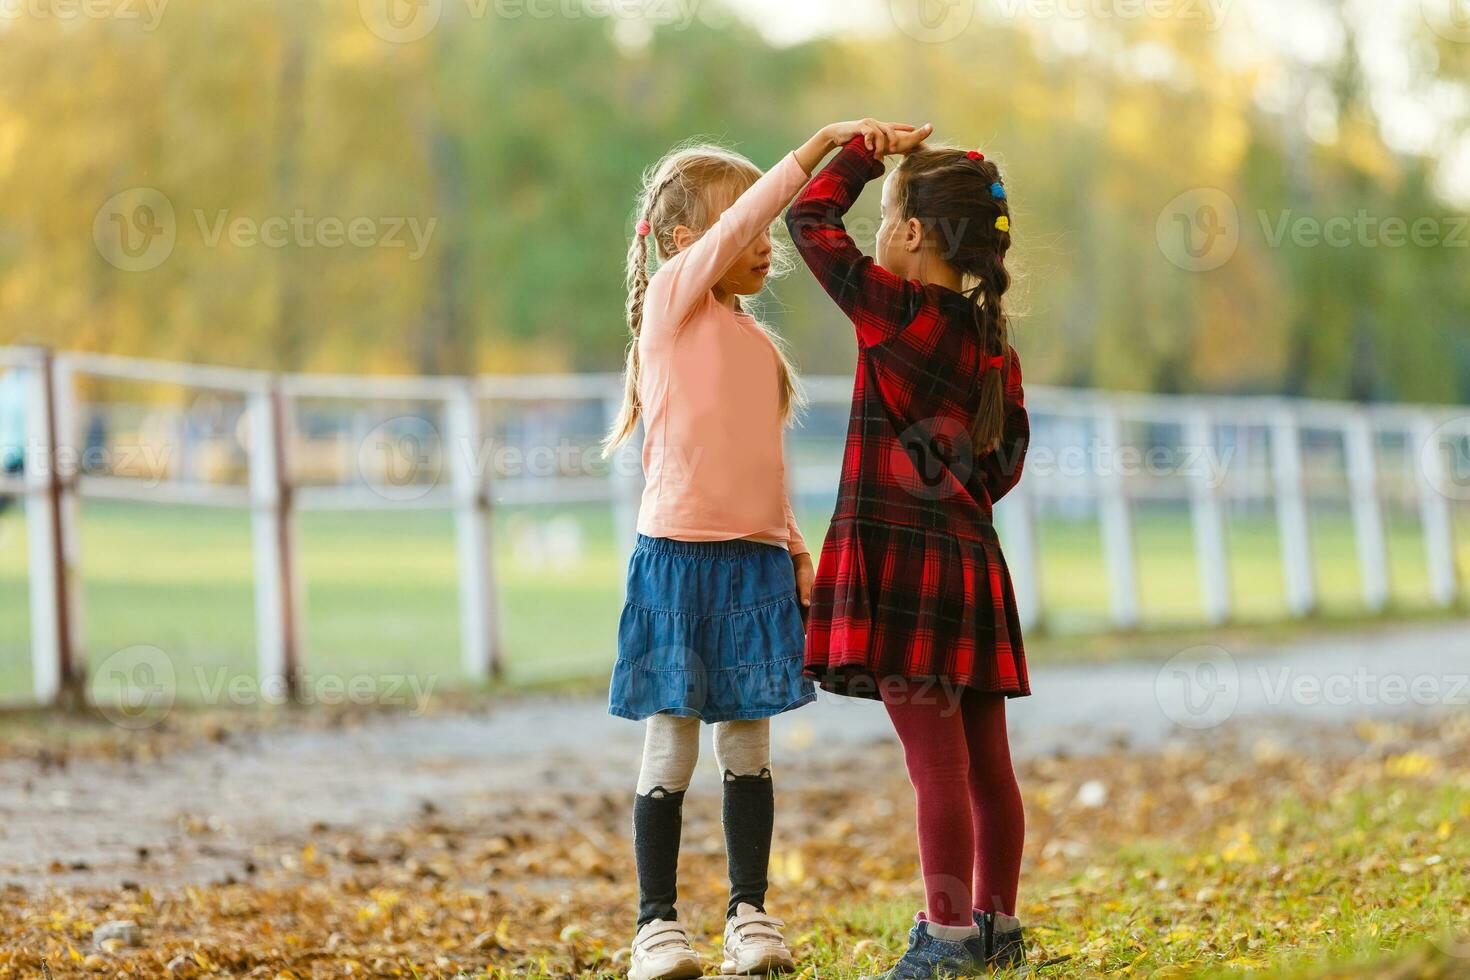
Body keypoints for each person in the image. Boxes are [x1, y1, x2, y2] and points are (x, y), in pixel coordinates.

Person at [603, 119, 912, 980]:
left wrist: (796, 551)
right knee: (673, 741)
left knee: (749, 746)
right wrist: (818, 147)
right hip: (677, 561)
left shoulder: (756, 349)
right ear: (681, 242)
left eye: (766, 226)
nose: (763, 241)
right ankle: (656, 928)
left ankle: (750, 916)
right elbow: (748, 219)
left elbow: (764, 466)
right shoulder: (670, 309)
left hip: (755, 565)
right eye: (745, 223)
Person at [787, 124, 1032, 978]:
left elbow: (810, 221)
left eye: (889, 214)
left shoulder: (893, 311)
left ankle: (949, 935)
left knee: (936, 765)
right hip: (971, 566)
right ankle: (998, 929)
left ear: (913, 233)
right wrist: (958, 506)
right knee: (985, 764)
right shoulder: (991, 339)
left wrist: (856, 150)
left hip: (901, 571)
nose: (877, 229)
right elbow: (1003, 461)